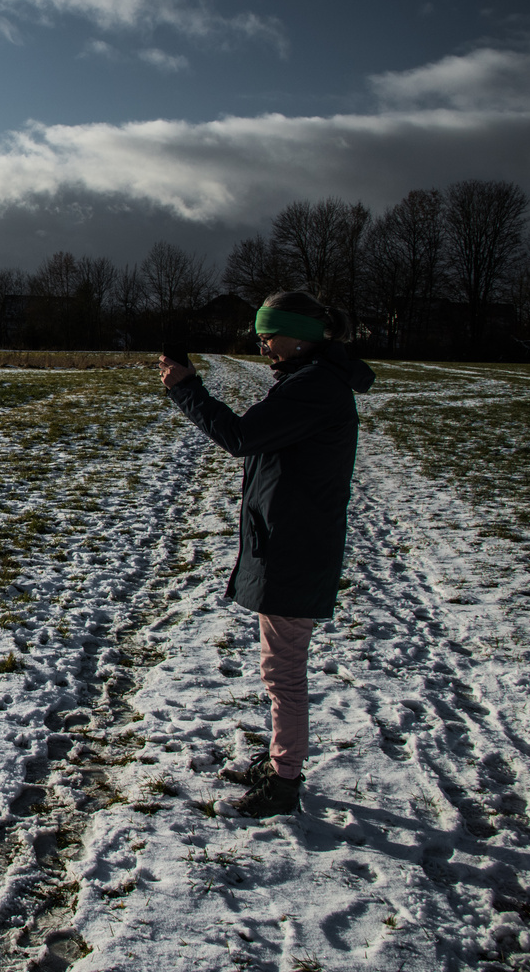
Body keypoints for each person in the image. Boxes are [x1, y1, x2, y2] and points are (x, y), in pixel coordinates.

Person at [157, 291, 375, 817]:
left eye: (270, 333)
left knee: (283, 673)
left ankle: (284, 782)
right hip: (289, 542)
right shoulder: (311, 383)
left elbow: (241, 436)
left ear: (302, 335)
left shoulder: (314, 389)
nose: (262, 343)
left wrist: (188, 390)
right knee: (279, 668)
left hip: (295, 550)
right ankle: (282, 760)